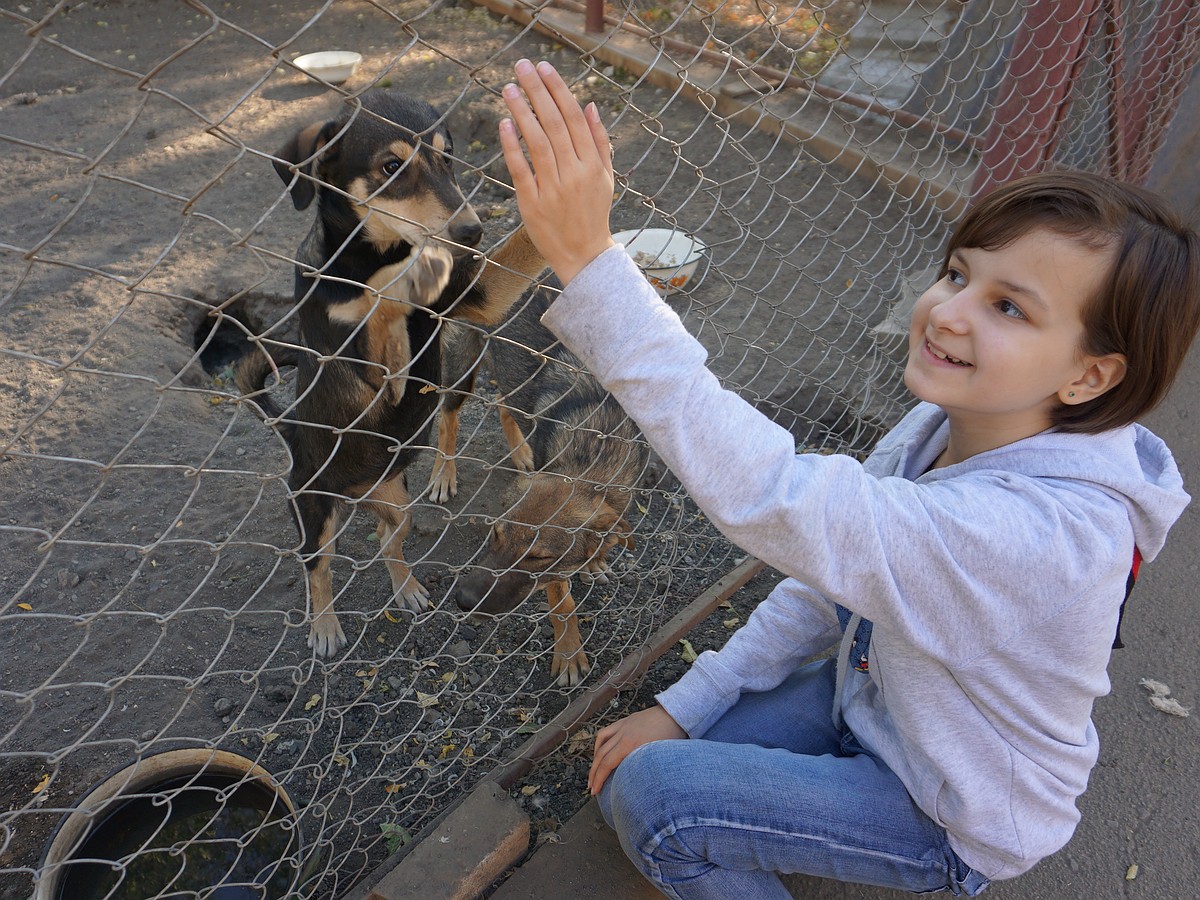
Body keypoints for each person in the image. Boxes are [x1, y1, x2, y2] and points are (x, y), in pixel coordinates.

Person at [495, 59, 1200, 897]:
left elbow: (779, 497)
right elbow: (829, 581)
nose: (948, 310)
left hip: (950, 812)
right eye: (958, 273)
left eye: (1008, 308)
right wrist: (687, 706)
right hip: (874, 706)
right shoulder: (947, 423)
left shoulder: (1036, 535)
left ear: (1088, 376)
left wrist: (591, 263)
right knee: (645, 763)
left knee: (653, 799)